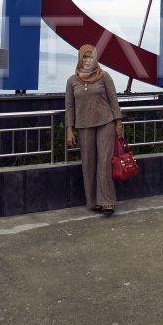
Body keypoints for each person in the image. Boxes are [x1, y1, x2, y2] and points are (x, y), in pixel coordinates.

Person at [65, 45, 124, 215]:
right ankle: (93, 202)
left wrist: (118, 123)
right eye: (85, 57)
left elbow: (114, 101)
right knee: (88, 163)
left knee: (104, 162)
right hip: (83, 125)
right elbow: (69, 107)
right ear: (80, 58)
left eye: (91, 57)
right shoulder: (72, 81)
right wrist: (69, 129)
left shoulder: (104, 77)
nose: (88, 60)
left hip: (106, 122)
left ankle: (107, 202)